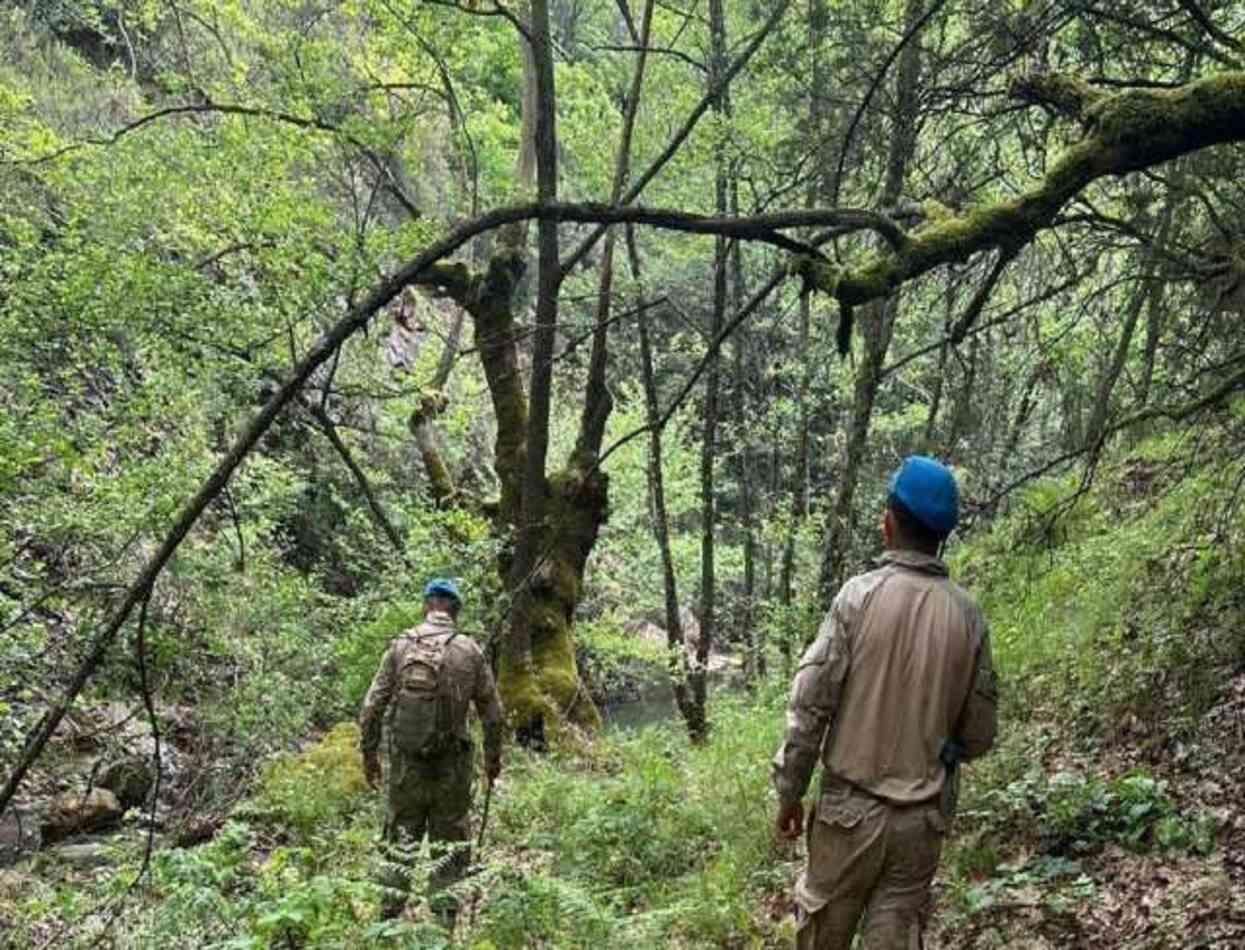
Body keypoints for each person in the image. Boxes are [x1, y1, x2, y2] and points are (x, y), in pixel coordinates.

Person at [772, 456, 998, 950]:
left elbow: (810, 708)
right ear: (942, 536)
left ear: (889, 522)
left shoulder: (857, 599)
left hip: (847, 817)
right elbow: (979, 734)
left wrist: (790, 792)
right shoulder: (968, 617)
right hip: (920, 824)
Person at [358, 577, 503, 925]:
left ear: (427, 605)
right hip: (451, 769)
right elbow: (494, 716)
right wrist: (492, 762)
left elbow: (371, 707)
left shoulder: (400, 647)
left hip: (406, 767)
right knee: (449, 846)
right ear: (455, 610)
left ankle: (387, 924)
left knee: (399, 841)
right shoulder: (469, 651)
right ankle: (444, 925)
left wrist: (369, 756)